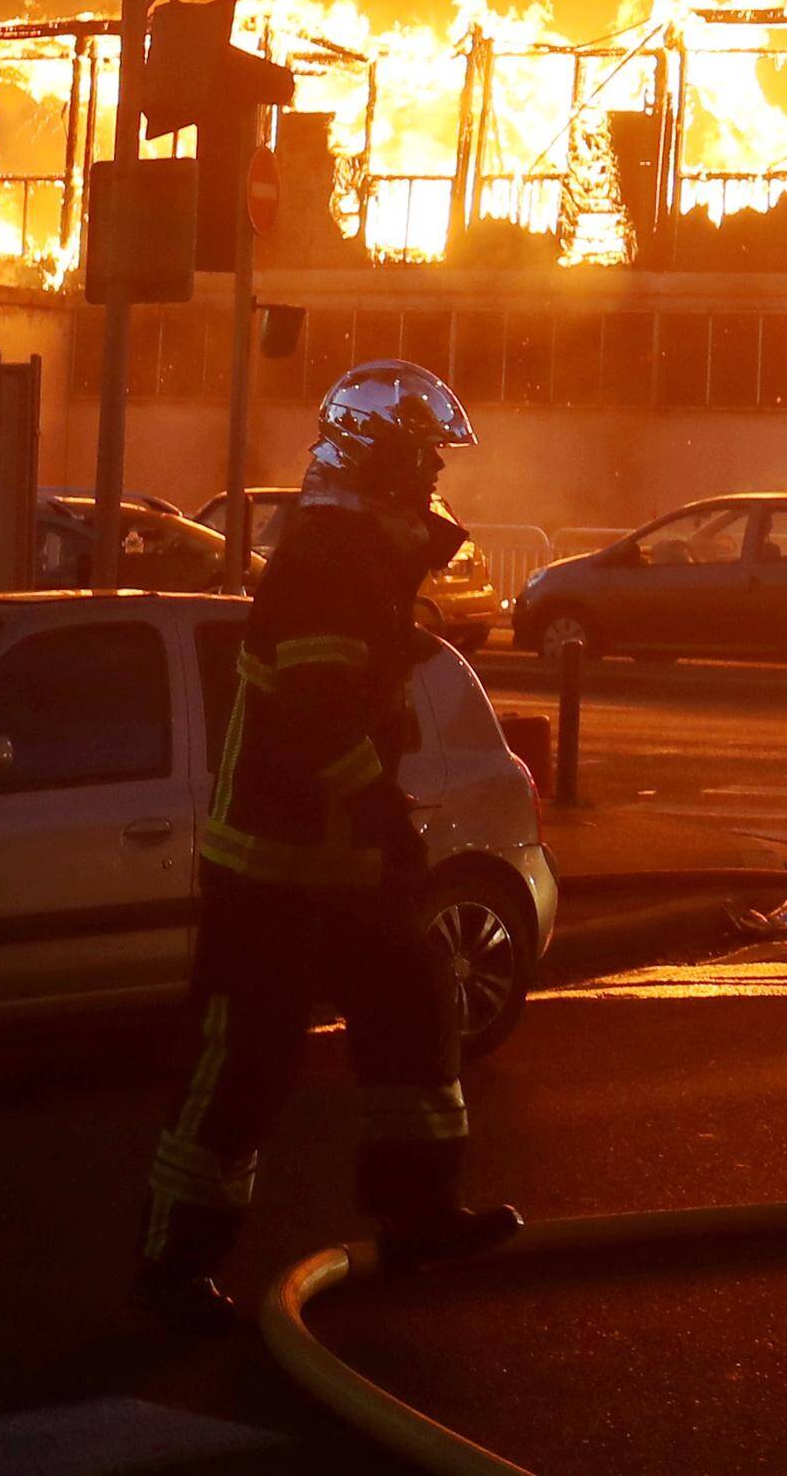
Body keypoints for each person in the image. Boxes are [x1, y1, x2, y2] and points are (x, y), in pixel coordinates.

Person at [134, 359, 518, 1333]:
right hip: (271, 868)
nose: (435, 473)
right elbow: (314, 709)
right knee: (242, 1068)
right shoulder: (324, 560)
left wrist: (372, 829)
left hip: (342, 866)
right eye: (422, 456)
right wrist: (381, 811)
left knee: (416, 1008)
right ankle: (172, 1270)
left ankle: (416, 1213)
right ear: (379, 460)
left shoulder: (363, 554)